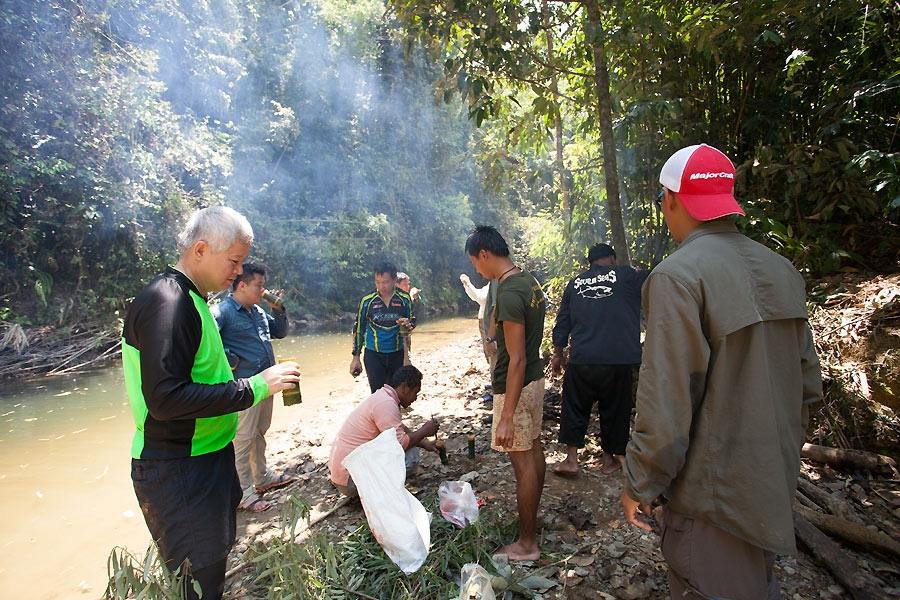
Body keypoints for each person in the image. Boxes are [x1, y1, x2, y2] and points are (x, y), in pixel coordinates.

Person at [620, 144, 823, 599]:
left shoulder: (677, 276)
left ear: (671, 200)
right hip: (769, 483)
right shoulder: (782, 270)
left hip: (713, 499)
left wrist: (640, 482)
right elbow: (808, 385)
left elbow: (666, 404)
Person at [122, 206, 301, 600]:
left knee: (210, 573)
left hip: (205, 460)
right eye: (234, 261)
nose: (238, 273)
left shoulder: (194, 300)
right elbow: (165, 398)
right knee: (198, 584)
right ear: (201, 250)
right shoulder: (169, 304)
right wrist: (254, 388)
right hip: (179, 470)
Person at [466, 225, 547, 561]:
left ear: (485, 254)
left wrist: (507, 416)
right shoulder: (529, 281)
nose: (476, 270)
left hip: (517, 385)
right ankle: (532, 526)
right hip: (533, 382)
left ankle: (526, 544)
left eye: (475, 262)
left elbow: (516, 358)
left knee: (522, 462)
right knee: (534, 451)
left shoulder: (511, 292)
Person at [550, 243, 647, 477]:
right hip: (618, 359)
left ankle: (571, 460)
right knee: (615, 409)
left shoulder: (575, 283)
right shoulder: (626, 275)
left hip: (583, 359)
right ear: (612, 259)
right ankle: (608, 460)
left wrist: (558, 353)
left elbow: (563, 321)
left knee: (574, 407)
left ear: (590, 263)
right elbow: (655, 277)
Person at [211, 263, 296, 513]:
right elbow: (208, 343)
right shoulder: (223, 312)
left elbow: (279, 332)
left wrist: (279, 309)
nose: (262, 290)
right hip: (244, 389)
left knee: (259, 431)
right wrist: (232, 361)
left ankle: (262, 476)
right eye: (259, 285)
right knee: (243, 439)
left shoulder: (257, 311)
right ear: (242, 285)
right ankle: (244, 493)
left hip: (266, 384)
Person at [328, 365, 439, 496]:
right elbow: (400, 444)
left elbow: (398, 428)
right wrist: (425, 430)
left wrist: (424, 443)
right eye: (415, 392)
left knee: (411, 446)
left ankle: (376, 486)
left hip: (344, 475)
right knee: (411, 455)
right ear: (404, 387)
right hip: (350, 481)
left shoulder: (383, 396)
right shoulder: (386, 404)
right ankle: (379, 492)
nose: (415, 397)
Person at [349, 262, 416, 393]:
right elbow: (358, 329)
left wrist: (409, 325)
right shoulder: (367, 300)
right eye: (377, 282)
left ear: (394, 280)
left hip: (397, 354)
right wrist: (355, 357)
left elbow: (412, 320)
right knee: (378, 394)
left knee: (395, 393)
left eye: (385, 282)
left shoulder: (404, 298)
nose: (381, 286)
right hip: (373, 355)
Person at [459, 273, 498, 369]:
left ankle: (495, 378)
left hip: (489, 321)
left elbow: (480, 298)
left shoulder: (495, 282)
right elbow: (478, 296)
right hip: (487, 320)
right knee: (489, 350)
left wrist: (468, 284)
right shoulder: (493, 283)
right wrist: (467, 285)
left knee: (491, 350)